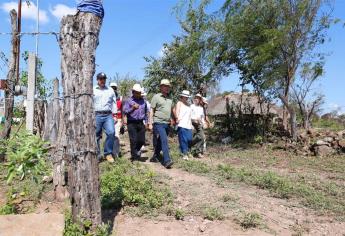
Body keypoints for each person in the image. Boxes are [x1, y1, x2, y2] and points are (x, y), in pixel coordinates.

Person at [148, 79, 174, 169]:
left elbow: (170, 111)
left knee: (159, 141)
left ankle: (155, 156)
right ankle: (167, 161)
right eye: (165, 86)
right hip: (158, 122)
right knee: (164, 140)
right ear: (161, 87)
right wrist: (150, 123)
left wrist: (172, 119)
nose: (167, 88)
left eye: (168, 86)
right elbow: (151, 110)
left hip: (167, 123)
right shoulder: (156, 97)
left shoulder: (170, 99)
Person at [94, 72, 117, 163]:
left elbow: (114, 102)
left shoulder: (110, 90)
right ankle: (97, 154)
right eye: (100, 79)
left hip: (108, 115)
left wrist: (115, 115)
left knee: (111, 132)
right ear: (97, 80)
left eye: (104, 79)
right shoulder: (93, 90)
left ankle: (108, 153)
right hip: (96, 114)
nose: (102, 80)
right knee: (96, 135)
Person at [123, 84, 148, 162]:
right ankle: (134, 156)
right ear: (133, 92)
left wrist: (146, 122)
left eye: (139, 92)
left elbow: (146, 112)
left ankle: (136, 151)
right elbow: (125, 111)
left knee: (142, 140)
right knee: (133, 140)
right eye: (136, 92)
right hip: (131, 122)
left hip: (140, 122)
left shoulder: (143, 101)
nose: (138, 94)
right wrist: (132, 108)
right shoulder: (129, 101)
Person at [175, 90, 193, 160]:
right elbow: (176, 111)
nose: (186, 98)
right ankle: (184, 154)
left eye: (187, 97)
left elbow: (190, 115)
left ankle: (183, 150)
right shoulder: (179, 103)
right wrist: (177, 118)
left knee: (189, 139)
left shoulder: (189, 105)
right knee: (183, 140)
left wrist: (191, 124)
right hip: (181, 124)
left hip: (188, 125)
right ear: (182, 96)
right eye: (185, 96)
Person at [110, 82, 122, 158]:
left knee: (116, 135)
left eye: (114, 88)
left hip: (118, 119)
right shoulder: (107, 98)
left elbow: (122, 110)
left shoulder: (119, 99)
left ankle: (116, 153)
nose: (113, 89)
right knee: (110, 135)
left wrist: (123, 123)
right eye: (112, 87)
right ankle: (109, 152)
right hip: (109, 119)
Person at [191, 94, 205, 158]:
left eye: (198, 98)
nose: (196, 99)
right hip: (191, 123)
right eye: (196, 98)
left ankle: (198, 152)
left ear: (200, 100)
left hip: (199, 124)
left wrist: (203, 123)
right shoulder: (191, 106)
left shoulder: (201, 108)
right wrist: (194, 119)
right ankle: (189, 150)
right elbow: (189, 115)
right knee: (191, 138)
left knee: (202, 137)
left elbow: (202, 117)